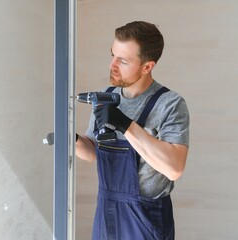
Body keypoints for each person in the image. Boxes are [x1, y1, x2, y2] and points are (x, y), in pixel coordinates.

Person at [76, 21, 190, 240]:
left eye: (123, 60)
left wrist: (125, 124)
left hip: (144, 217)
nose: (112, 65)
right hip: (107, 209)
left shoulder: (170, 104)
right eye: (112, 55)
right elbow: (93, 152)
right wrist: (72, 139)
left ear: (147, 66)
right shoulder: (106, 94)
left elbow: (174, 168)